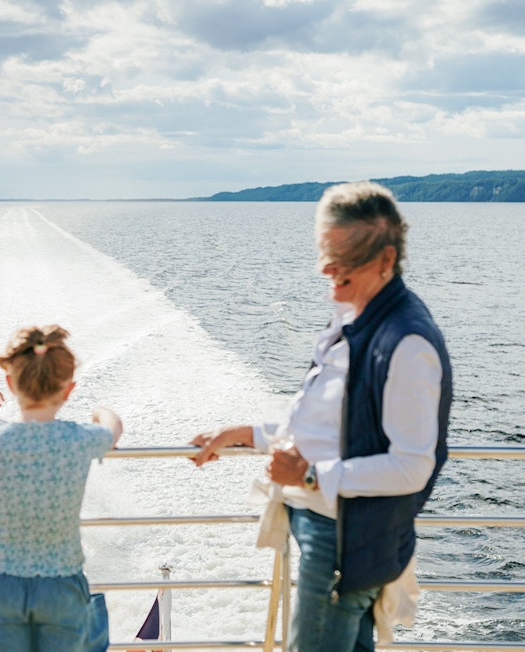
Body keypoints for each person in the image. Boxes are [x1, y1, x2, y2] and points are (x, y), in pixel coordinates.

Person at [190, 181, 452, 651]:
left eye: (344, 257)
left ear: (386, 260)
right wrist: (242, 434)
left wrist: (309, 476)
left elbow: (413, 466)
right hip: (336, 532)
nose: (327, 268)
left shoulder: (406, 343)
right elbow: (332, 426)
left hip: (345, 542)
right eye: (323, 253)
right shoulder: (356, 318)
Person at [0, 325, 123, 652]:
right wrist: (99, 413)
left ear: (10, 384)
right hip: (62, 582)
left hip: (4, 581)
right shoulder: (80, 438)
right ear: (68, 390)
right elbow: (113, 427)